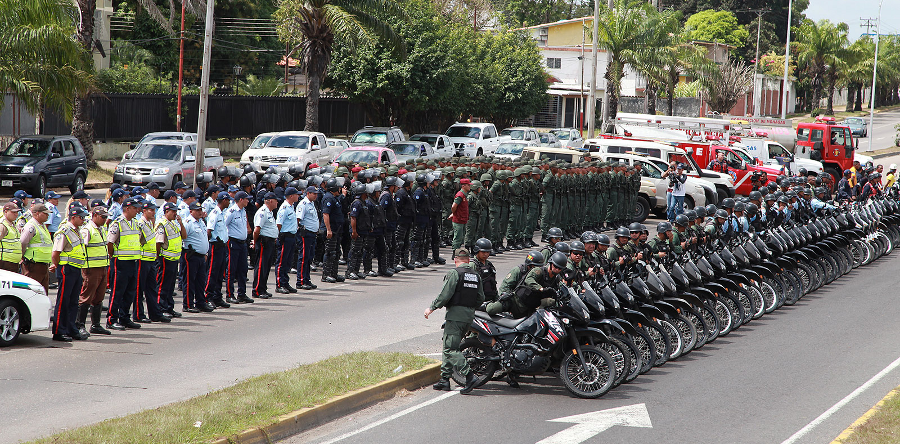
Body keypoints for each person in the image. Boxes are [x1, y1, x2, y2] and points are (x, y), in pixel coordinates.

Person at [424, 247, 482, 395]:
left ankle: (469, 376)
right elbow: (480, 298)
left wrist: (432, 307)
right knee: (448, 345)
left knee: (451, 349)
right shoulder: (476, 275)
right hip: (468, 317)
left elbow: (445, 294)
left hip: (455, 316)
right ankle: (445, 379)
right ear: (468, 260)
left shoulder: (454, 273)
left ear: (455, 260)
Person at [49, 204, 90, 341]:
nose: (83, 220)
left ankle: (71, 328)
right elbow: (56, 253)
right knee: (63, 300)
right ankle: (59, 331)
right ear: (73, 217)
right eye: (81, 217)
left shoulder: (77, 230)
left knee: (73, 301)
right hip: (67, 268)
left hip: (76, 268)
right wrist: (57, 265)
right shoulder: (64, 231)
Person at [485, 251, 564, 319]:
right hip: (514, 299)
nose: (536, 269)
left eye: (539, 266)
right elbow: (506, 286)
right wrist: (503, 297)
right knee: (492, 309)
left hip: (528, 305)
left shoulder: (549, 277)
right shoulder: (519, 270)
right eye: (534, 266)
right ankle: (483, 306)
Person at [106, 198, 144, 330]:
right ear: (127, 208)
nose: (137, 210)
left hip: (133, 261)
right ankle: (111, 319)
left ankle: (124, 318)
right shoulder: (118, 223)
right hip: (120, 262)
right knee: (117, 292)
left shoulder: (135, 223)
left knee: (130, 292)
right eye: (134, 208)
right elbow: (110, 243)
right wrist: (113, 256)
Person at [78, 206, 112, 335]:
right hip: (91, 269)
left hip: (102, 267)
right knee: (86, 297)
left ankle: (96, 325)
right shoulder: (87, 229)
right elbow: (82, 248)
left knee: (99, 297)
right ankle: (80, 325)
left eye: (106, 217)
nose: (105, 219)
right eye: (103, 217)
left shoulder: (101, 229)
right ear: (95, 215)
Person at [156, 202, 186, 318]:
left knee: (170, 285)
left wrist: (181, 223)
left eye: (176, 211)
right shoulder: (162, 224)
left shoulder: (173, 223)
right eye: (173, 211)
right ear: (166, 211)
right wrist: (158, 257)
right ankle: (161, 308)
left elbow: (184, 236)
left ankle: (169, 307)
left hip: (173, 259)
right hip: (165, 258)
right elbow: (158, 243)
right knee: (163, 285)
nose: (175, 213)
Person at [135, 201, 163, 323]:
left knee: (152, 288)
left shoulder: (150, 223)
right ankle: (138, 314)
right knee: (139, 289)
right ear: (144, 211)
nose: (153, 212)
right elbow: (138, 241)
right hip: (142, 260)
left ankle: (154, 313)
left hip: (151, 260)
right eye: (151, 210)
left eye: (154, 210)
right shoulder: (140, 224)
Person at [182, 201, 212, 312]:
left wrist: (205, 253)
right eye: (197, 210)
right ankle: (188, 304)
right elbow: (183, 237)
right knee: (189, 281)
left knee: (201, 281)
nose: (200, 212)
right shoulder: (188, 222)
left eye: (200, 210)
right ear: (191, 211)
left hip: (201, 256)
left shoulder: (201, 222)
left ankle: (200, 302)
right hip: (192, 255)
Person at [225, 191, 254, 303]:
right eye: (246, 199)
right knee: (231, 269)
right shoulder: (231, 211)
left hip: (242, 243)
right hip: (233, 242)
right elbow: (224, 225)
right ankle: (229, 295)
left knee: (243, 269)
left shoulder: (243, 211)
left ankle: (242, 294)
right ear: (241, 200)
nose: (248, 201)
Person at [205, 192, 232, 306]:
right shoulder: (215, 213)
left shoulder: (222, 213)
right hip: (215, 246)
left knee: (220, 273)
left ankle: (217, 297)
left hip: (222, 246)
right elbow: (209, 231)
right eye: (228, 200)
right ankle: (208, 297)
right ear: (224, 200)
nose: (229, 202)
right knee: (212, 273)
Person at [252, 192, 279, 298]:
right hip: (264, 241)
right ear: (271, 201)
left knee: (266, 266)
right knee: (261, 266)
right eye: (276, 201)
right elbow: (256, 230)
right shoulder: (262, 212)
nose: (277, 203)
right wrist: (255, 241)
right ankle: (257, 290)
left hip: (269, 242)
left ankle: (263, 288)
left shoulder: (269, 212)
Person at [20, 203, 52, 291]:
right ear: (37, 213)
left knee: (43, 291)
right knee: (33, 290)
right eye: (45, 213)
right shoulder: (31, 226)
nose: (47, 215)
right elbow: (23, 242)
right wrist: (22, 256)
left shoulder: (42, 226)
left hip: (43, 264)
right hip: (33, 264)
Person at [321, 179, 346, 283]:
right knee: (330, 253)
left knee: (336, 252)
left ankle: (333, 274)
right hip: (331, 230)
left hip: (337, 230)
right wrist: (328, 229)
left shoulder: (334, 198)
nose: (340, 189)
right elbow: (325, 214)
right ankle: (326, 275)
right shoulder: (328, 198)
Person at [275, 187, 300, 293]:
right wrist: (278, 236)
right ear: (291, 196)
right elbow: (279, 224)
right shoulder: (284, 208)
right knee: (282, 261)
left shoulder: (291, 206)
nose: (298, 196)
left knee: (288, 262)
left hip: (292, 236)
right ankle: (279, 284)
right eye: (296, 194)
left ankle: (285, 282)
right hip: (285, 237)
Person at [296, 187, 319, 290]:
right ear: (308, 193)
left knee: (309, 257)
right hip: (305, 234)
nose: (316, 195)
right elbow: (298, 219)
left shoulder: (312, 203)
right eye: (314, 194)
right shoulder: (303, 204)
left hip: (312, 234)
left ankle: (306, 279)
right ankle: (300, 281)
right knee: (304, 257)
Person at [471, 238, 498, 302]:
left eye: (487, 252)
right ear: (477, 251)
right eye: (483, 252)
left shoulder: (489, 265)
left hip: (490, 298)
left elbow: (493, 283)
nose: (485, 254)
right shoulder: (473, 265)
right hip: (478, 301)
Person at [0, 202, 22, 272]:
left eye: (17, 212)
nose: (16, 214)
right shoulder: (2, 225)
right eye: (13, 212)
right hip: (4, 263)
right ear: (6, 212)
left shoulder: (12, 225)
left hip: (13, 263)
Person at [450, 178, 471, 252]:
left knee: (461, 238)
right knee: (458, 238)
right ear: (463, 186)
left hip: (463, 219)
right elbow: (453, 206)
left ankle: (457, 252)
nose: (469, 186)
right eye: (468, 185)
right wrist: (454, 213)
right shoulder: (460, 195)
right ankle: (455, 253)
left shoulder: (464, 195)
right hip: (458, 220)